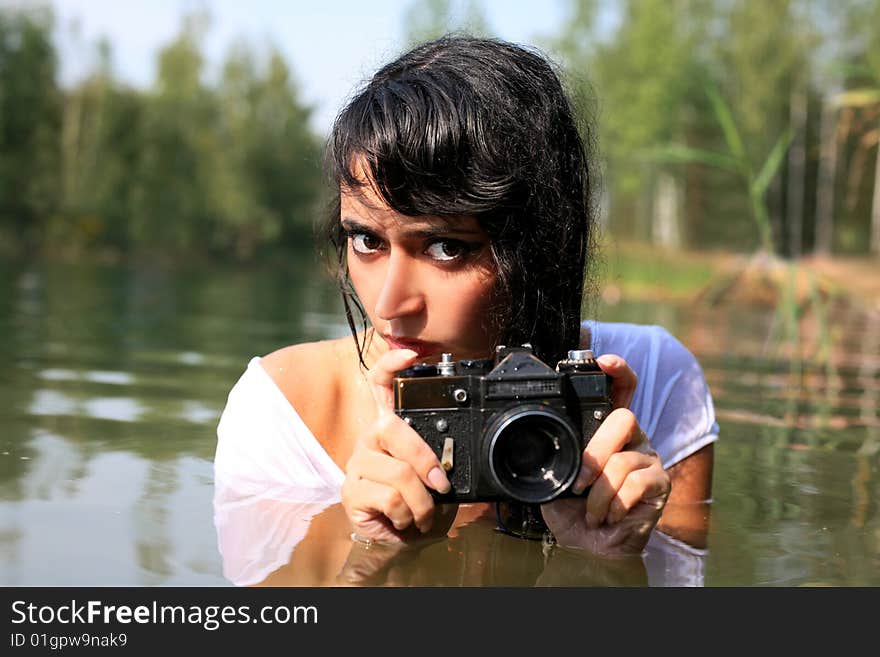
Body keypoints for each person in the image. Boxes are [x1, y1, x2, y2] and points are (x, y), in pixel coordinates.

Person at [213, 35, 718, 573]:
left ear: (543, 246)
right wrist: (374, 557)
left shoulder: (654, 384)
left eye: (446, 247)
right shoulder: (284, 412)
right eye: (366, 241)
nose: (389, 304)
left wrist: (603, 565)